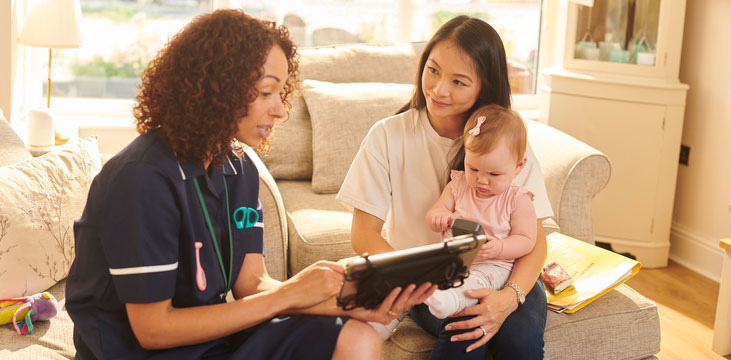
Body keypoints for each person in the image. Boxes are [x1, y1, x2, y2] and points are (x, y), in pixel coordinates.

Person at [65, 9, 433, 359]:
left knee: (357, 334)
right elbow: (154, 330)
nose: (281, 110)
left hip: (209, 342)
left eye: (281, 92)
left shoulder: (239, 170)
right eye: (265, 92)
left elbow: (252, 283)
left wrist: (348, 304)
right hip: (138, 352)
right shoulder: (141, 179)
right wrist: (290, 293)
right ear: (216, 88)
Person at [337, 15, 552, 358]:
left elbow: (535, 244)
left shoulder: (508, 148)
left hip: (506, 273)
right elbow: (364, 235)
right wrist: (416, 281)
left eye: (459, 81)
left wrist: (508, 298)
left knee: (519, 341)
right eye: (433, 70)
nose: (439, 89)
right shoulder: (388, 136)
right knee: (463, 331)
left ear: (485, 85)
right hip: (432, 280)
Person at [423, 105, 536, 320]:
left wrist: (500, 247)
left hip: (493, 265)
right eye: (473, 169)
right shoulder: (458, 185)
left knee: (476, 280)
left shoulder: (517, 199)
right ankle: (388, 320)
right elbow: (435, 212)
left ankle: (450, 301)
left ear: (519, 166)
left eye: (494, 174)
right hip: (452, 260)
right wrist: (439, 216)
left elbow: (526, 240)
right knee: (417, 277)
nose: (481, 180)